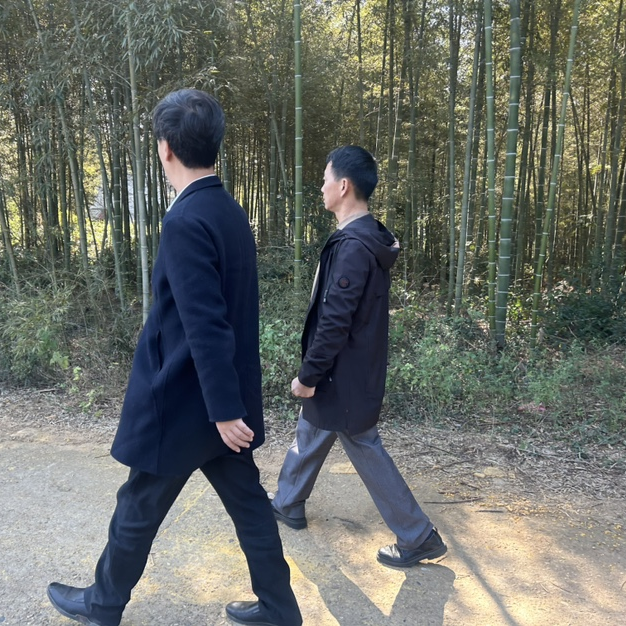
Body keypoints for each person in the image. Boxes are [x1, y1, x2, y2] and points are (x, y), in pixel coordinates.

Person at [47, 89, 302, 626]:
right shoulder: (229, 211)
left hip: (189, 402)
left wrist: (223, 410)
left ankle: (102, 605)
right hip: (221, 400)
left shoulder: (186, 219)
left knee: (139, 505)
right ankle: (280, 610)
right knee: (250, 507)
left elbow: (206, 323)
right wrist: (229, 406)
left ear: (165, 148)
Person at [270, 145, 447, 569]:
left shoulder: (353, 246)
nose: (321, 187)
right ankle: (288, 502)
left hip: (341, 374)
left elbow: (334, 322)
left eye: (325, 179)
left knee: (361, 442)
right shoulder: (366, 237)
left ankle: (418, 535)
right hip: (349, 370)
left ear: (344, 185)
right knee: (312, 427)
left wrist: (309, 375)